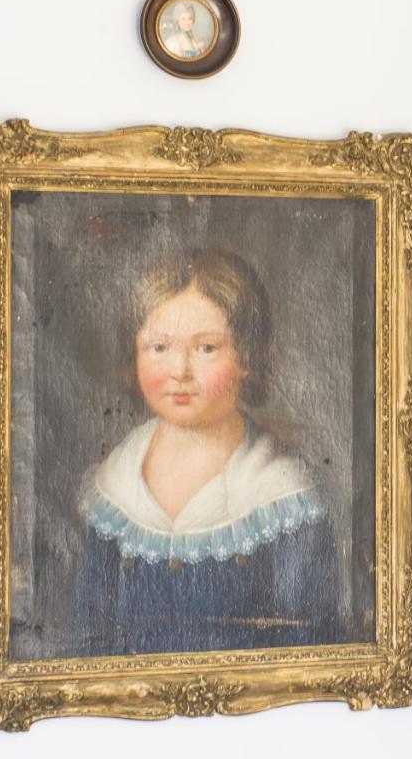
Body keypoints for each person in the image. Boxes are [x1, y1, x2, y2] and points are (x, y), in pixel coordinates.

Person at [72, 249, 340, 656]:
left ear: (246, 357)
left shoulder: (283, 496)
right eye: (159, 347)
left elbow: (308, 647)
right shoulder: (115, 486)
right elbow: (91, 636)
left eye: (207, 348)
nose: (180, 370)